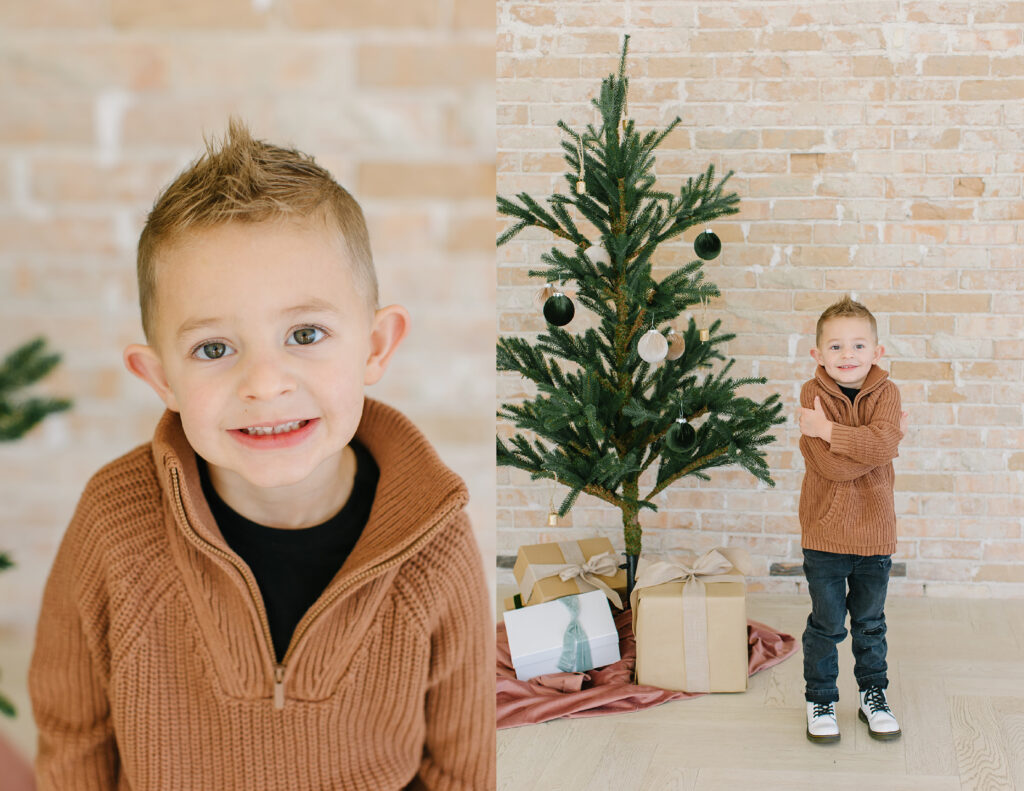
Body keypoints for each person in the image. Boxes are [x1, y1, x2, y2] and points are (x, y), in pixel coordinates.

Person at [28, 118, 495, 790]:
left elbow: (463, 765)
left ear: (375, 346)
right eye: (214, 348)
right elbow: (74, 737)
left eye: (305, 333)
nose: (265, 383)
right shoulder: (114, 524)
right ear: (161, 379)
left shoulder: (435, 540)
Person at [796, 295, 908, 745]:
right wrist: (877, 443)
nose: (848, 356)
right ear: (818, 354)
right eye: (836, 347)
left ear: (877, 353)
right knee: (827, 624)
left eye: (858, 346)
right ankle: (820, 697)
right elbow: (832, 467)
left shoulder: (888, 392)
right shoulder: (811, 394)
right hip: (823, 533)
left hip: (875, 534)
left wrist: (828, 431)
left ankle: (872, 695)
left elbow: (881, 447)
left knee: (870, 623)